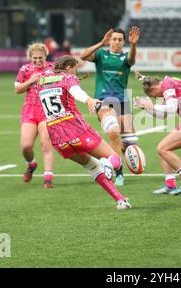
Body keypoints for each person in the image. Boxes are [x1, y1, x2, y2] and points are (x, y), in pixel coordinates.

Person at [35, 55, 132, 209]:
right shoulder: (68, 77)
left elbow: (58, 86)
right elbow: (75, 90)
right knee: (115, 159)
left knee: (93, 168)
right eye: (75, 68)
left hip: (57, 138)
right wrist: (88, 99)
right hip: (76, 130)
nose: (75, 72)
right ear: (68, 67)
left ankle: (120, 200)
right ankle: (106, 163)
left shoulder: (41, 81)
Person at [80, 26, 140, 186]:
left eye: (120, 40)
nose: (117, 42)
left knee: (130, 141)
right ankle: (119, 172)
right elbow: (83, 56)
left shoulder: (126, 57)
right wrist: (101, 43)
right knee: (113, 131)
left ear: (124, 42)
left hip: (122, 102)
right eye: (114, 39)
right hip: (104, 101)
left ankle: (111, 155)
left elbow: (132, 60)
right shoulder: (101, 54)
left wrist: (134, 45)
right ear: (110, 40)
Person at [134, 72, 181, 195]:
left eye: (152, 95)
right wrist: (145, 107)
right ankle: (170, 185)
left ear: (153, 88)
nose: (154, 98)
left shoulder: (168, 85)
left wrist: (152, 105)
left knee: (162, 148)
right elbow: (163, 115)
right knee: (163, 149)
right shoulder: (168, 85)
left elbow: (171, 109)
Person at [14, 43, 55, 188]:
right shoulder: (25, 69)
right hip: (29, 111)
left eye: (40, 57)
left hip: (46, 111)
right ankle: (31, 165)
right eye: (35, 58)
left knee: (45, 144)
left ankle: (48, 178)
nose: (38, 60)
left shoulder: (53, 68)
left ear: (45, 56)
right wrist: (31, 80)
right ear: (30, 57)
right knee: (26, 146)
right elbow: (17, 89)